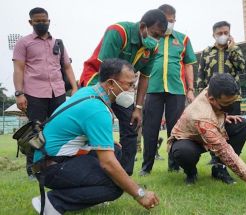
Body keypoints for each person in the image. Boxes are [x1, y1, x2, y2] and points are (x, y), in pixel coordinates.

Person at [31, 58, 160, 214]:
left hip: (46, 159)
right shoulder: (97, 110)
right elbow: (108, 164)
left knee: (114, 150)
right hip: (50, 167)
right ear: (111, 83)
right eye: (129, 84)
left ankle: (89, 195)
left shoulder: (88, 92)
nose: (132, 89)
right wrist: (139, 193)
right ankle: (53, 203)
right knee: (115, 185)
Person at [168, 74, 246, 202]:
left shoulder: (213, 88)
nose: (231, 106)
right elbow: (226, 152)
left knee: (241, 125)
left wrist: (222, 117)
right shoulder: (201, 116)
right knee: (183, 152)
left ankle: (219, 169)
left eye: (233, 101)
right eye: (227, 103)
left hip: (209, 130)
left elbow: (215, 112)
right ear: (212, 99)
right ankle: (191, 172)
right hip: (188, 140)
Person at [79, 9, 167, 175]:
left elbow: (145, 78)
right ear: (142, 27)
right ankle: (92, 172)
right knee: (95, 124)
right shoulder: (118, 32)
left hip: (123, 86)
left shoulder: (152, 49)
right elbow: (106, 72)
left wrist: (138, 108)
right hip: (98, 80)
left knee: (131, 124)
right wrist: (106, 107)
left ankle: (125, 175)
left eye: (160, 37)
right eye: (154, 34)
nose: (156, 40)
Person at [13, 7, 78, 179]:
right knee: (35, 131)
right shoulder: (23, 43)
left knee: (60, 129)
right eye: (38, 21)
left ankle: (56, 165)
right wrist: (19, 93)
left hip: (58, 93)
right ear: (30, 22)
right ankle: (32, 169)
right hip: (34, 93)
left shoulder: (58, 43)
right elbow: (18, 69)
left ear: (49, 20)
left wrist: (75, 87)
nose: (42, 23)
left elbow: (67, 67)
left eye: (44, 20)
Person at [139, 4, 197, 176]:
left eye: (171, 21)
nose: (168, 24)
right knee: (150, 129)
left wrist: (191, 89)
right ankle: (146, 166)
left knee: (175, 129)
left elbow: (188, 65)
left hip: (177, 90)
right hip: (152, 89)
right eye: (165, 20)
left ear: (174, 20)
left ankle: (174, 164)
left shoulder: (183, 39)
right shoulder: (150, 38)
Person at [196, 20, 245, 183]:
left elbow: (241, 67)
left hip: (233, 97)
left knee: (234, 127)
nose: (223, 36)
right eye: (219, 33)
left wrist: (233, 48)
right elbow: (201, 74)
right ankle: (216, 160)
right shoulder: (206, 52)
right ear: (214, 35)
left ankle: (227, 161)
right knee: (213, 128)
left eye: (226, 32)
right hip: (212, 99)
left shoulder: (235, 49)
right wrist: (200, 96)